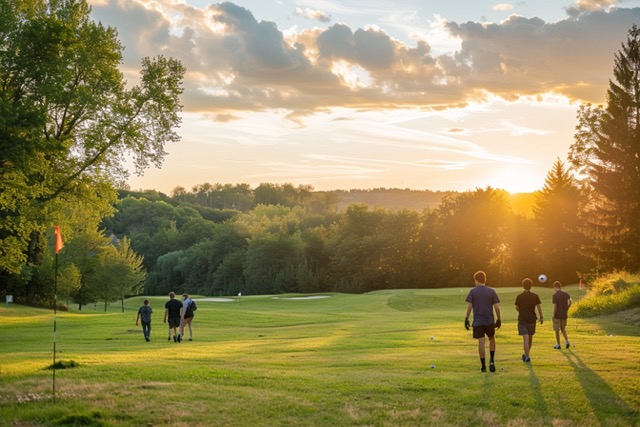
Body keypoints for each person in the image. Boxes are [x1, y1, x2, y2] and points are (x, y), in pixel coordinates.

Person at [465, 270, 501, 373]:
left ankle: (483, 366)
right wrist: (498, 319)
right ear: (485, 280)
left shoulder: (473, 291)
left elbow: (470, 306)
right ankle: (492, 361)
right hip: (489, 321)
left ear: (476, 280)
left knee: (481, 342)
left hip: (478, 322)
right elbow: (497, 308)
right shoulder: (491, 291)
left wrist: (466, 319)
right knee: (491, 339)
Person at [515, 278, 543, 362]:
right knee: (530, 338)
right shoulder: (535, 296)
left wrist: (521, 311)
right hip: (532, 320)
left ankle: (527, 356)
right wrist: (541, 317)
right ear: (531, 286)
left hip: (522, 320)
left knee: (525, 340)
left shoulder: (519, 296)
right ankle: (527, 354)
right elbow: (539, 307)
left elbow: (516, 307)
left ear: (523, 286)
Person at [552, 281, 572, 349]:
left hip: (557, 315)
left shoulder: (555, 295)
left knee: (557, 330)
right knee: (563, 329)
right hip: (564, 314)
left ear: (555, 287)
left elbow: (555, 306)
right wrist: (567, 309)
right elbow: (569, 303)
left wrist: (553, 314)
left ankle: (558, 344)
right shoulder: (566, 294)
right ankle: (567, 341)